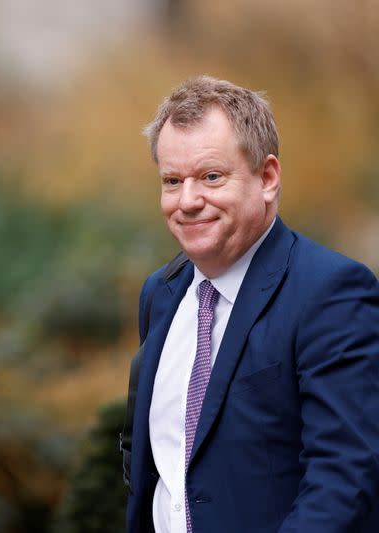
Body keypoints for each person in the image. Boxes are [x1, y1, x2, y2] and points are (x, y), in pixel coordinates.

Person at [126, 75, 379, 532]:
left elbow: (346, 478)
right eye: (172, 180)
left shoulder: (331, 294)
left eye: (211, 177)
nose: (188, 201)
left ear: (267, 177)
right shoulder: (161, 294)